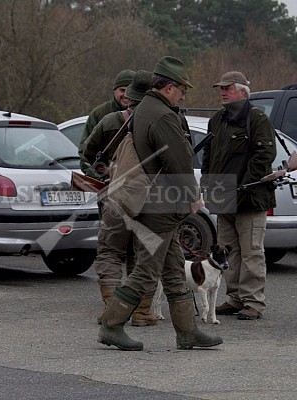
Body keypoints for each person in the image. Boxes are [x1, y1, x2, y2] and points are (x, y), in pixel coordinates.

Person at [97, 56, 223, 351]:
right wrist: (194, 197)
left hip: (152, 203)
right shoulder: (164, 116)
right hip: (160, 206)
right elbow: (179, 161)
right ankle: (111, 326)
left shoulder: (144, 110)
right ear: (168, 88)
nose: (184, 94)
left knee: (174, 269)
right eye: (182, 89)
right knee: (147, 271)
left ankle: (187, 332)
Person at [83, 70, 159, 326]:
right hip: (151, 198)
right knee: (144, 252)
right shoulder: (167, 120)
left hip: (115, 197)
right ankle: (141, 311)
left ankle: (113, 307)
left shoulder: (110, 120)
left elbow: (87, 153)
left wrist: (104, 175)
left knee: (109, 252)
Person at [201, 71, 276, 320]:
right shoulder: (217, 120)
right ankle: (234, 298)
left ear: (242, 91)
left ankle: (253, 302)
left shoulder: (257, 119)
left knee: (252, 251)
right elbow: (209, 155)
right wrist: (207, 182)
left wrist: (245, 186)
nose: (222, 92)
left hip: (251, 198)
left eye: (227, 88)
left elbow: (264, 156)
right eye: (220, 88)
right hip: (224, 198)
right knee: (227, 252)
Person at [78, 69, 135, 177]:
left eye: (130, 90)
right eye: (122, 90)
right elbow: (84, 153)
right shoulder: (98, 114)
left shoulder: (142, 114)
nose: (126, 95)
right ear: (114, 90)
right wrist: (99, 177)